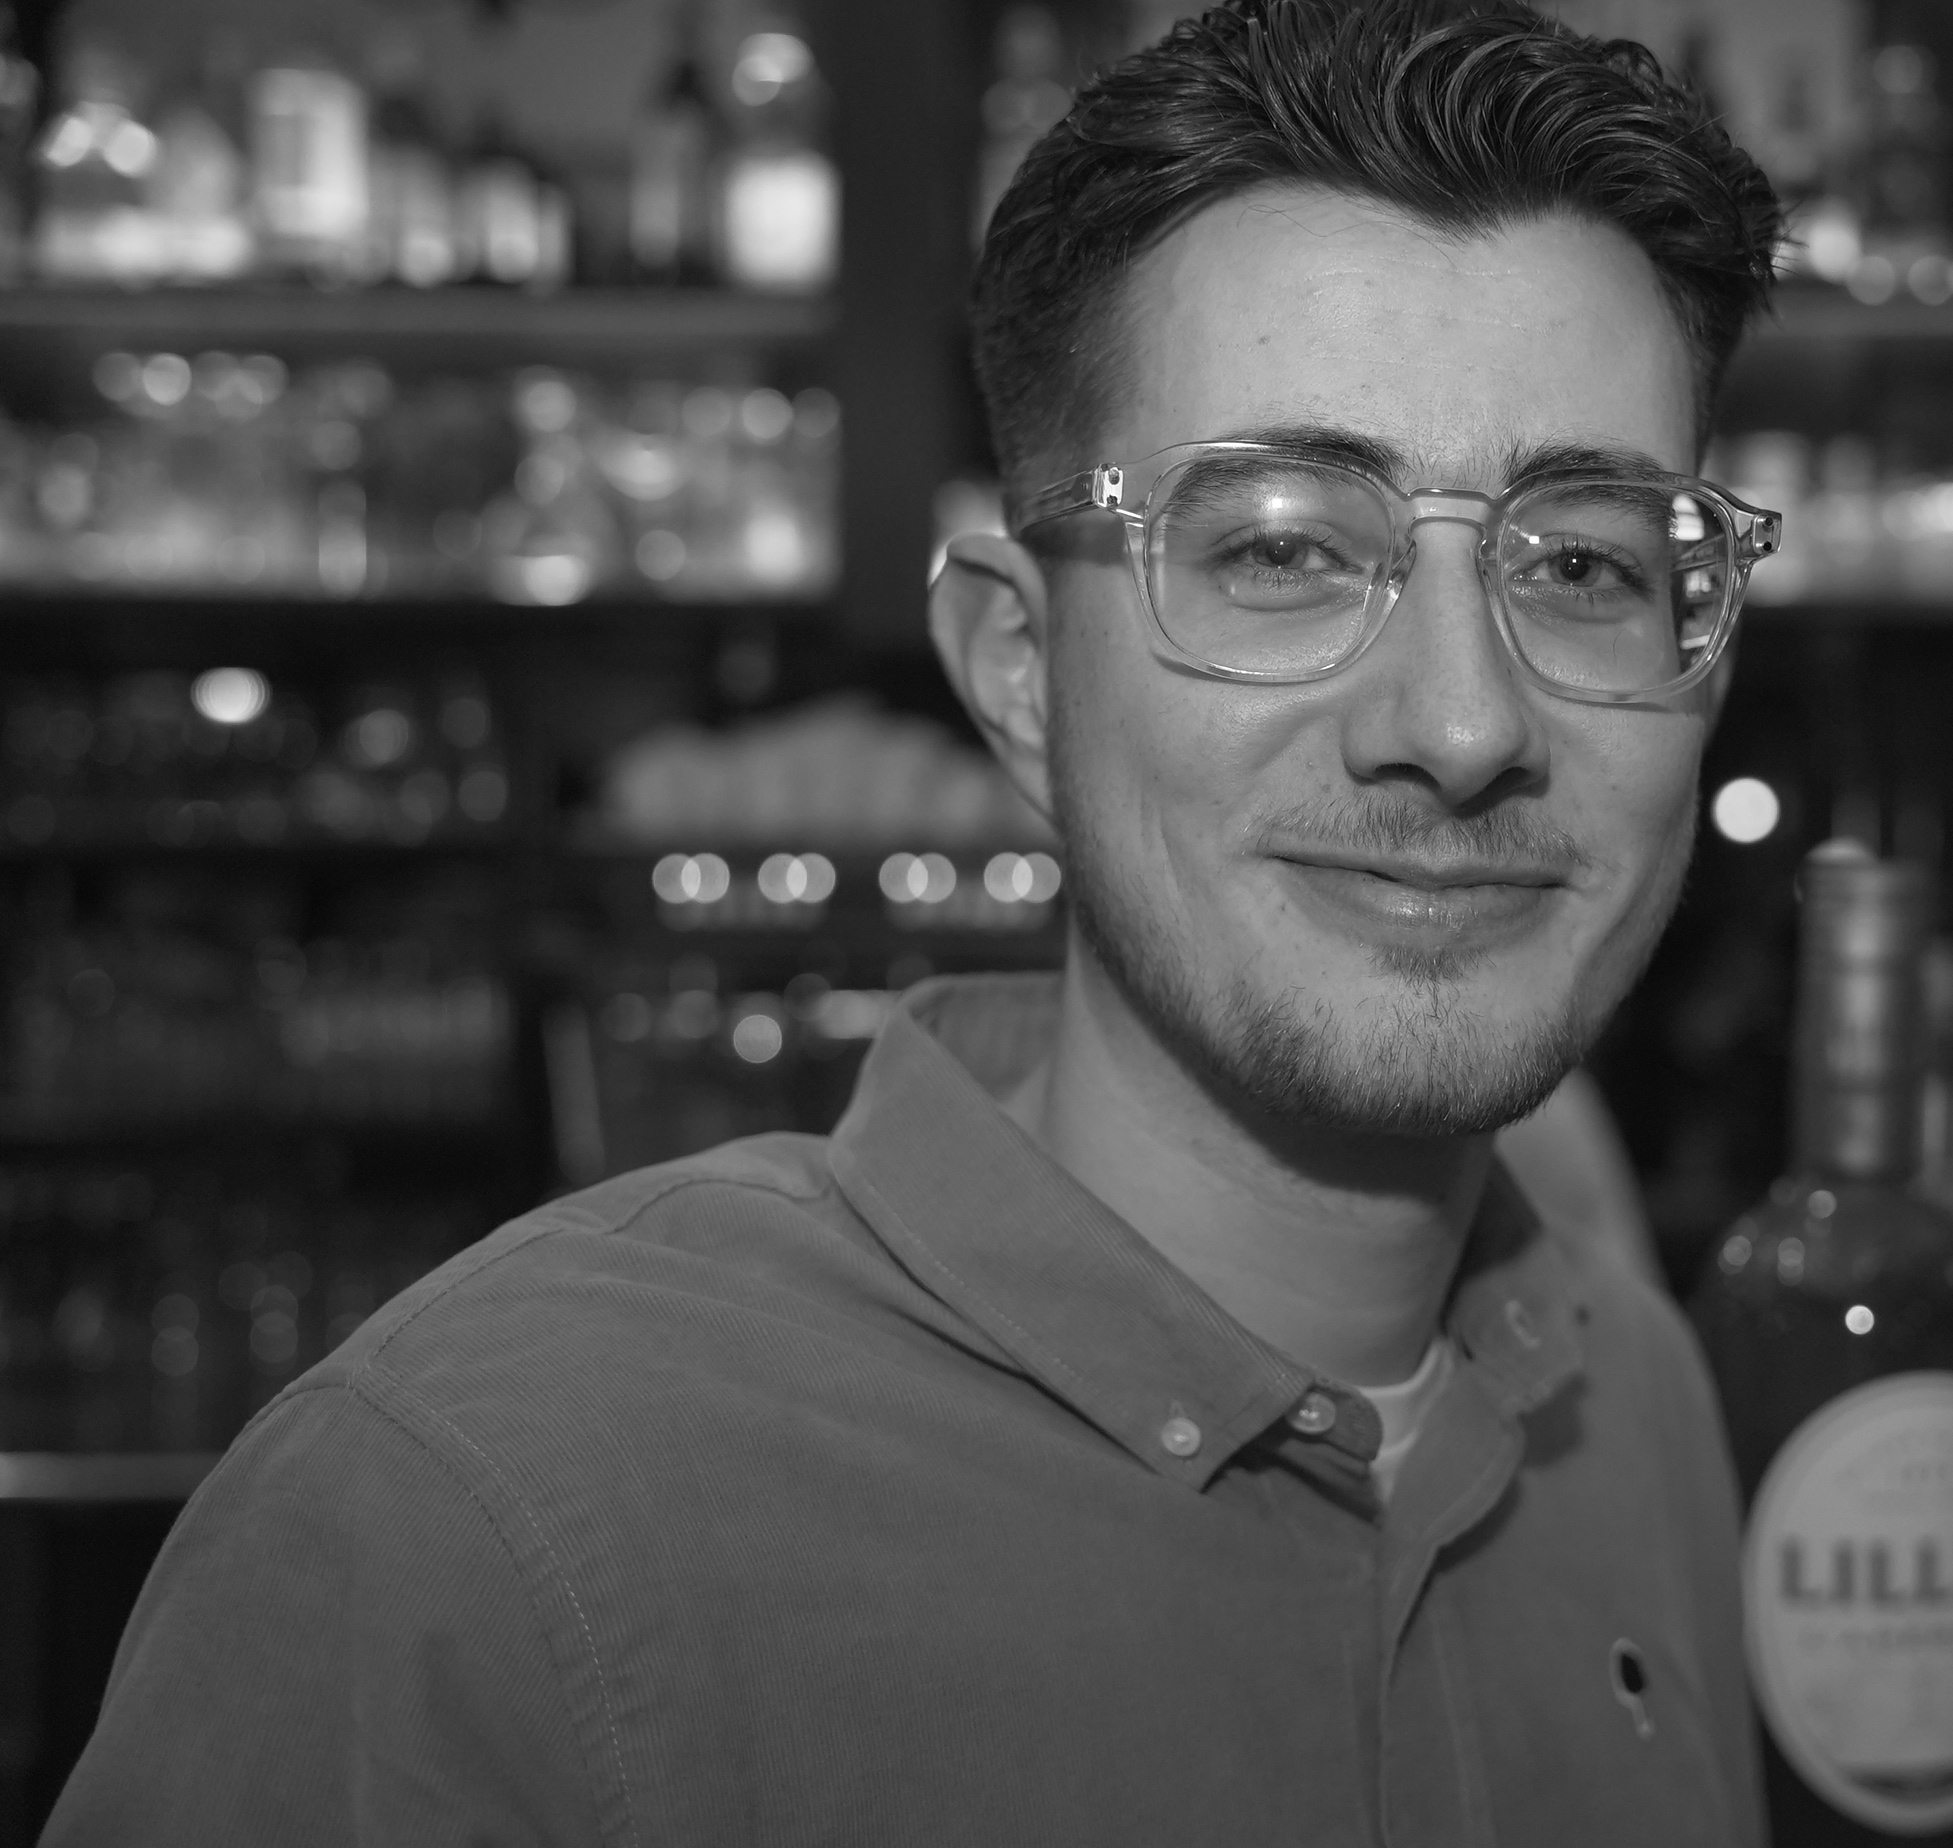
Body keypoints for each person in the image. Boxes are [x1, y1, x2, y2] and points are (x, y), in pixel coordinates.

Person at [45, 2, 1784, 1840]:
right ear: (1019, 670)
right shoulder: (473, 1526)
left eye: (1584, 563)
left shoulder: (1642, 1408)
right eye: (1281, 548)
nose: (1462, 723)